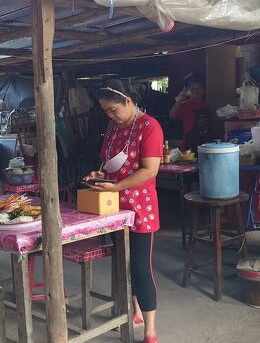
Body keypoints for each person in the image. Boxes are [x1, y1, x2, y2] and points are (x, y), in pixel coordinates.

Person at [84, 80, 163, 343]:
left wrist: (116, 186)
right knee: (123, 264)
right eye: (106, 111)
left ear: (128, 101)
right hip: (113, 205)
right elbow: (109, 165)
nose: (110, 116)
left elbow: (149, 170)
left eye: (113, 110)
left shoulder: (149, 126)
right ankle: (135, 309)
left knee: (141, 267)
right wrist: (99, 175)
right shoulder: (112, 128)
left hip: (140, 207)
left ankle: (150, 331)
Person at [169, 73, 210, 151]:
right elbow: (172, 116)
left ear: (203, 91)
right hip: (189, 144)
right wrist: (181, 99)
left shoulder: (206, 105)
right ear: (188, 91)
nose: (195, 91)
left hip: (205, 142)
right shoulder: (184, 105)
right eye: (192, 89)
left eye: (198, 88)